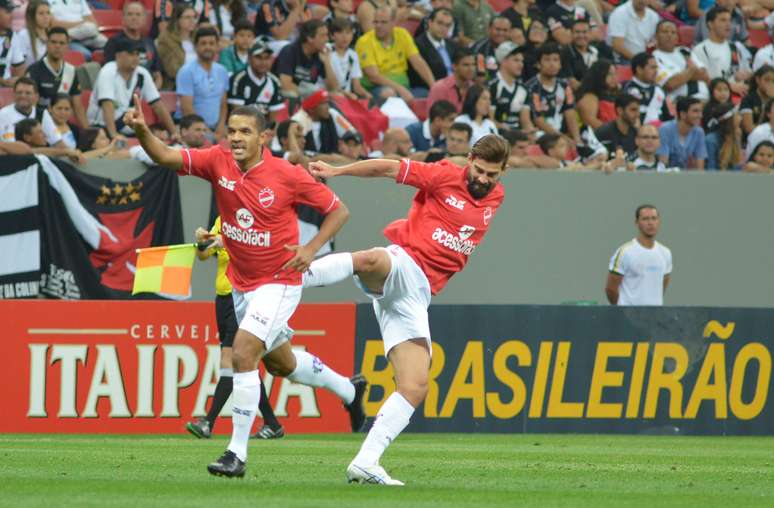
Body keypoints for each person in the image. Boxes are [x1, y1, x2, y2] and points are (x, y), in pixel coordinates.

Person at [123, 99, 368, 479]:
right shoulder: (217, 161)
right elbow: (166, 155)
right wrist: (142, 129)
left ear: (264, 137)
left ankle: (236, 453)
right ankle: (351, 392)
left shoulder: (287, 174)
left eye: (245, 132)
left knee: (242, 353)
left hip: (279, 281)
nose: (236, 138)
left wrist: (309, 249)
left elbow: (340, 211)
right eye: (232, 131)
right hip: (242, 283)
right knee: (282, 364)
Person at [304, 133, 511, 485]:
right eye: (479, 170)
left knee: (415, 385)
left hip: (418, 295)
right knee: (372, 259)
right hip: (404, 262)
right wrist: (338, 172)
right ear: (470, 160)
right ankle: (289, 274)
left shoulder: (496, 196)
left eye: (492, 175)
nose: (483, 179)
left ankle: (366, 461)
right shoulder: (444, 175)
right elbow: (388, 167)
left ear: (502, 172)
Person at [186, 218, 287, 440]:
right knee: (244, 363)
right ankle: (272, 423)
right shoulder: (222, 220)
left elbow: (257, 253)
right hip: (222, 298)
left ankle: (208, 422)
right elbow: (204, 256)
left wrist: (228, 243)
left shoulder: (254, 220)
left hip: (242, 296)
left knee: (230, 358)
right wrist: (202, 243)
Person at [88, 39, 175, 140]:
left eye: (137, 54)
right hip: (101, 128)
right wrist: (114, 134)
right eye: (131, 54)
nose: (135, 58)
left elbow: (157, 105)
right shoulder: (108, 71)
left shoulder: (142, 74)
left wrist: (173, 132)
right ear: (118, 55)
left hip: (128, 128)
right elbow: (107, 105)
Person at [355, 6, 435, 102]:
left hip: (405, 87)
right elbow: (373, 76)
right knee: (389, 93)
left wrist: (434, 87)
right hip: (377, 89)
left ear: (393, 23)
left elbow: (418, 62)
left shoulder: (402, 34)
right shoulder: (365, 41)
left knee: (427, 94)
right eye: (376, 22)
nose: (378, 26)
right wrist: (400, 90)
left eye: (383, 22)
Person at [606, 204, 672, 306]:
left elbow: (662, 285)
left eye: (654, 218)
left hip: (654, 317)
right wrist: (622, 312)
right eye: (645, 219)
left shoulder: (665, 253)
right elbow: (610, 289)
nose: (650, 223)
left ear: (658, 221)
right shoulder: (625, 252)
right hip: (628, 318)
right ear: (637, 222)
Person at [25, 27, 88, 128]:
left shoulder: (71, 71)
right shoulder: (34, 70)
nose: (57, 46)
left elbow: (77, 107)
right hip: (39, 125)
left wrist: (88, 132)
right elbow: (29, 106)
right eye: (53, 42)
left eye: (62, 43)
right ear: (47, 44)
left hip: (62, 124)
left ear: (67, 46)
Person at [177, 26, 230, 139]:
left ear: (217, 46)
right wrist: (206, 131)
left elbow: (223, 104)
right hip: (193, 129)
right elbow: (187, 109)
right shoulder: (187, 71)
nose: (208, 47)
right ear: (195, 46)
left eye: (212, 43)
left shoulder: (222, 71)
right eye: (203, 43)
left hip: (217, 128)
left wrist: (220, 128)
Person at [525, 42, 580, 146]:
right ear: (538, 64)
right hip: (540, 133)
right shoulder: (531, 87)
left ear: (560, 64)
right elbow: (538, 120)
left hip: (561, 133)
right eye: (547, 60)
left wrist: (577, 140)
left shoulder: (564, 86)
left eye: (555, 60)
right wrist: (562, 138)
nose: (552, 64)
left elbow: (570, 113)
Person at [690, 6, 751, 96]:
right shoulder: (700, 49)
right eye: (723, 20)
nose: (728, 24)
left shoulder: (735, 46)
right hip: (714, 97)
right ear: (710, 24)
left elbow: (748, 71)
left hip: (739, 95)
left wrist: (745, 75)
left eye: (729, 20)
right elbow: (704, 80)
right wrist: (730, 86)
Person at [103, 1, 163, 89]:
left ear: (144, 19)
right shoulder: (114, 42)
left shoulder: (150, 43)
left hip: (148, 92)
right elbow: (111, 73)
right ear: (123, 19)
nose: (134, 18)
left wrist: (152, 92)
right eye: (130, 14)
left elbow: (157, 75)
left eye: (138, 15)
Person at [274, 19, 338, 98]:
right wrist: (312, 94)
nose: (327, 39)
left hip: (305, 96)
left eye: (327, 35)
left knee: (337, 96)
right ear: (310, 38)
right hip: (284, 97)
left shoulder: (319, 54)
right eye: (322, 35)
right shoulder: (290, 51)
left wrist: (327, 62)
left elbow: (334, 88)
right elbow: (285, 85)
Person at [652, 20, 710, 103]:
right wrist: (692, 69)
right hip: (678, 102)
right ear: (656, 37)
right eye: (665, 32)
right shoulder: (654, 58)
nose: (669, 35)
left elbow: (705, 76)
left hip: (704, 99)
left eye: (673, 32)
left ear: (677, 37)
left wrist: (681, 76)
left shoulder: (684, 51)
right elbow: (671, 84)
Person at [227, 40, 286, 122]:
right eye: (259, 57)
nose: (263, 62)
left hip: (263, 129)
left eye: (267, 58)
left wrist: (270, 133)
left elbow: (274, 120)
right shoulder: (238, 79)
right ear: (249, 58)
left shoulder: (275, 82)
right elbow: (238, 115)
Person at [0, 77, 63, 146]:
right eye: (19, 92)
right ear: (14, 94)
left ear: (36, 96)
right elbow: (13, 148)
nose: (23, 96)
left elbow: (57, 142)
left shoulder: (42, 113)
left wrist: (70, 152)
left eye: (28, 93)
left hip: (42, 155)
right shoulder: (3, 115)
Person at [293, 89, 356, 153]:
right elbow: (296, 152)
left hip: (333, 159)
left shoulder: (332, 113)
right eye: (323, 103)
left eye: (327, 102)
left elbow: (353, 133)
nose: (328, 107)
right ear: (312, 108)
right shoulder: (298, 121)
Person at [489, 42, 533, 134]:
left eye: (522, 61)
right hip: (497, 136)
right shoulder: (492, 86)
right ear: (503, 61)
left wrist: (531, 132)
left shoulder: (523, 89)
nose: (521, 64)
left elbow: (526, 121)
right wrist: (510, 131)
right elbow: (489, 120)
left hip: (518, 136)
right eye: (516, 60)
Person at [411, 8, 458, 87]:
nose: (443, 28)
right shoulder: (418, 45)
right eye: (439, 23)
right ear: (430, 23)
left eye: (447, 25)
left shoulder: (453, 45)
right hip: (428, 88)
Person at [657, 96, 707, 170]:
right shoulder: (665, 129)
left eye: (701, 111)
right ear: (683, 114)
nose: (700, 116)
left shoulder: (699, 132)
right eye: (695, 111)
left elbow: (700, 167)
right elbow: (663, 164)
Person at [155, 4, 198, 90]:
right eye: (187, 17)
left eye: (194, 17)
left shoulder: (197, 38)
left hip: (198, 83)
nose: (192, 20)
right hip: (176, 86)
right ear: (177, 20)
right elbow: (173, 71)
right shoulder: (166, 40)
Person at [622, 52, 672, 126]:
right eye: (652, 67)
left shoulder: (659, 90)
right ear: (639, 69)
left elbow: (666, 116)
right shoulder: (629, 89)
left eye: (656, 67)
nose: (656, 71)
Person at [329, 17, 371, 100]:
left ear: (352, 35)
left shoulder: (353, 55)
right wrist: (347, 94)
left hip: (346, 97)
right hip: (330, 94)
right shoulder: (327, 51)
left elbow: (357, 86)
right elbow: (330, 86)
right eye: (340, 32)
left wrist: (367, 95)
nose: (344, 37)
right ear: (332, 36)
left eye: (348, 33)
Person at [14, 117, 84, 163]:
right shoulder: (18, 154)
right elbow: (31, 151)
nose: (45, 135)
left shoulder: (45, 154)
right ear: (27, 138)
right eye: (40, 132)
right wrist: (67, 151)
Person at [427, 47, 475, 113]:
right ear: (454, 66)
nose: (471, 69)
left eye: (473, 65)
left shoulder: (474, 88)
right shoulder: (439, 88)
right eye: (466, 65)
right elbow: (432, 118)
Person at [9, 0, 51, 73]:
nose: (46, 17)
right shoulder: (23, 35)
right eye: (41, 13)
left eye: (48, 13)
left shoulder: (52, 35)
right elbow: (18, 67)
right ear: (31, 15)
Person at [575, 59, 618, 130]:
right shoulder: (589, 97)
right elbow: (590, 122)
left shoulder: (614, 94)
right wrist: (614, 133)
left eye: (615, 74)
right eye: (609, 74)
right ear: (599, 75)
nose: (614, 78)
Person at [560, 19, 600, 91]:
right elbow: (572, 82)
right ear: (571, 34)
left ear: (590, 33)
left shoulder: (595, 51)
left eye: (585, 32)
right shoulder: (565, 53)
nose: (581, 35)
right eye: (577, 32)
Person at [471, 16, 512, 81]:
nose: (501, 33)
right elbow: (480, 77)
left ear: (510, 32)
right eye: (498, 29)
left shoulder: (514, 49)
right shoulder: (480, 49)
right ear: (489, 29)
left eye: (505, 30)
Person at [704, 101, 742, 171]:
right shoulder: (710, 140)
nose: (740, 118)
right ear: (729, 119)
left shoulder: (736, 136)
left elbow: (737, 167)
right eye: (737, 114)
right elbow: (710, 169)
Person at [740, 65, 774, 138]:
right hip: (752, 140)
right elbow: (748, 128)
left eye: (773, 81)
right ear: (758, 80)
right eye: (767, 80)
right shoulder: (748, 99)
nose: (771, 84)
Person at [0, 0, 23, 86]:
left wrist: (17, 80)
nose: (12, 16)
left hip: (5, 91)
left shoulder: (12, 36)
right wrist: (2, 81)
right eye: (8, 12)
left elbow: (19, 67)